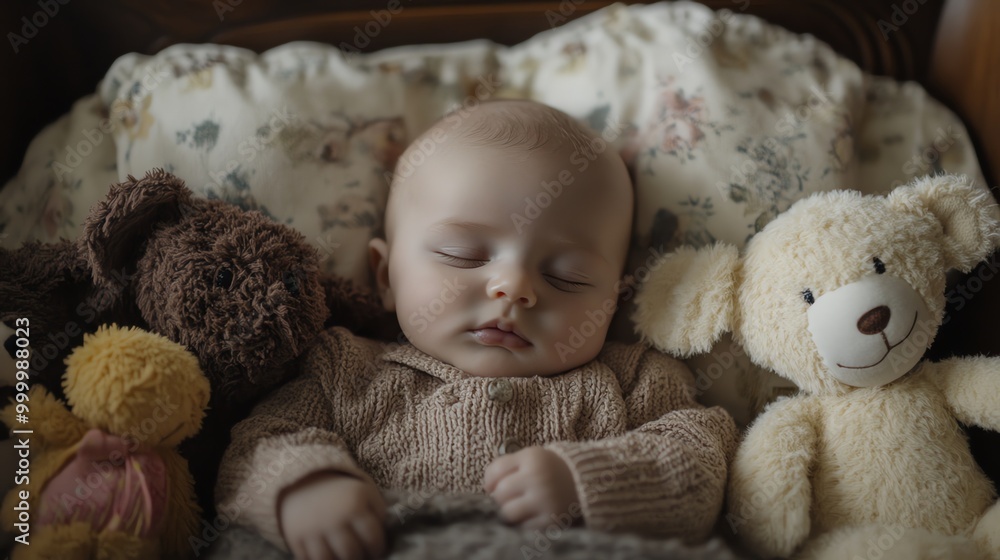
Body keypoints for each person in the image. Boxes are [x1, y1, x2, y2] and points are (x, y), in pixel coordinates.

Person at [215, 99, 738, 560]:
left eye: (567, 276)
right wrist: (306, 486)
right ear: (385, 277)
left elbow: (701, 460)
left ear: (612, 302)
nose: (513, 287)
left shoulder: (634, 380)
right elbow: (259, 443)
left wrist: (588, 482)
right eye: (462, 255)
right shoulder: (345, 369)